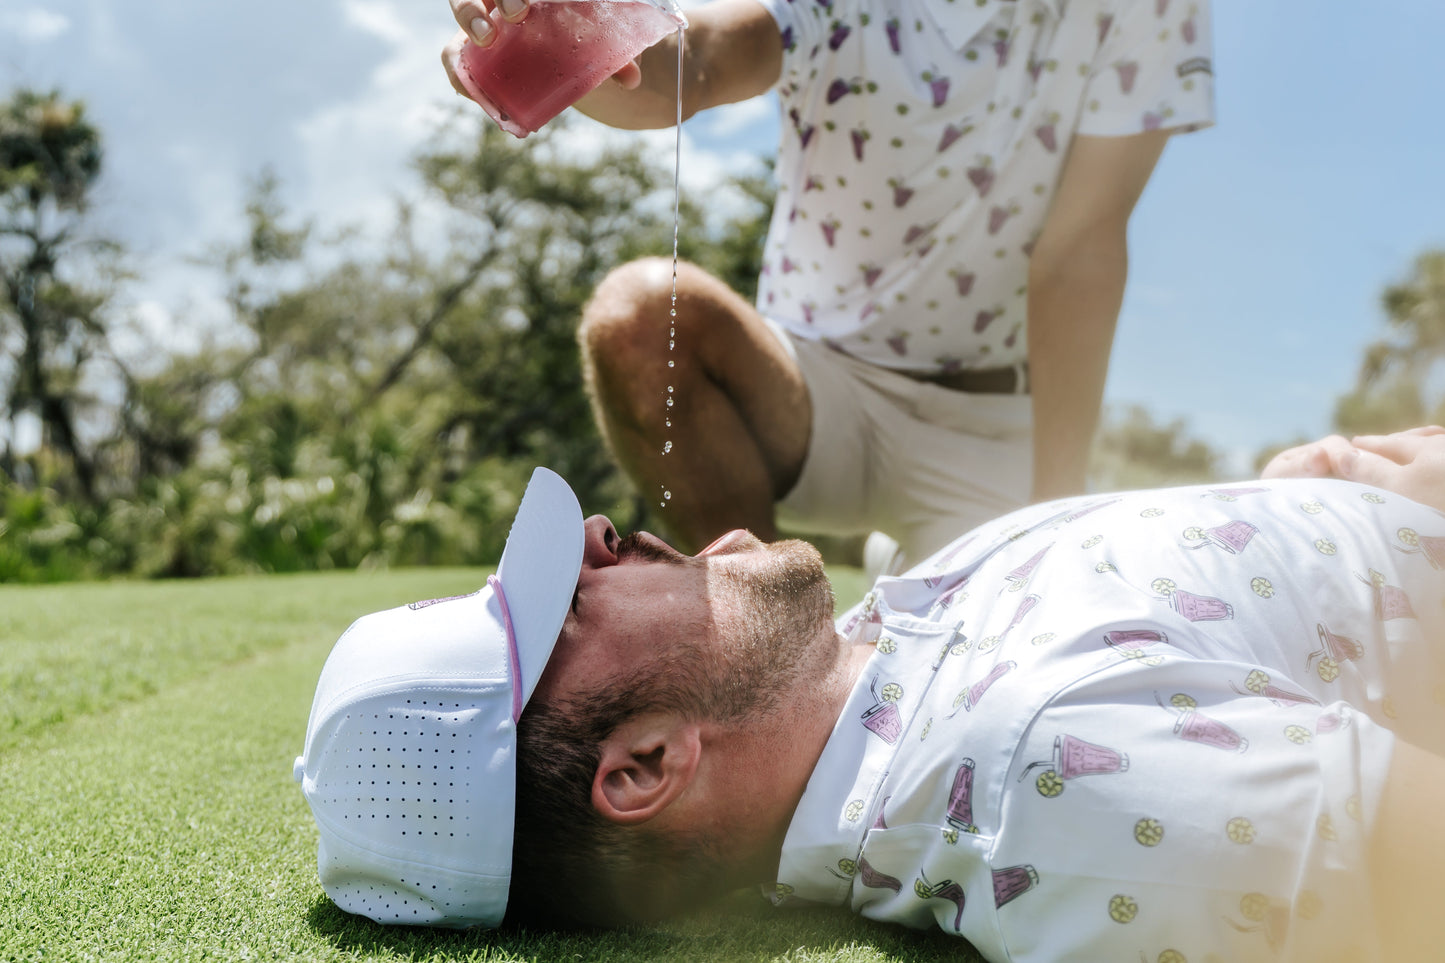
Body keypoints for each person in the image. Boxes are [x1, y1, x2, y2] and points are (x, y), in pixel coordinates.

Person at [296, 427, 1445, 961]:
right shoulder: (1045, 778)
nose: (598, 534)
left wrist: (1333, 495)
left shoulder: (884, 657)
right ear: (646, 765)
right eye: (565, 604)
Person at [440, 0, 1217, 571]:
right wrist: (560, 37)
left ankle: (901, 559)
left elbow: (1077, 254)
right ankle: (771, 629)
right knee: (635, 312)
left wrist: (1057, 512)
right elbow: (692, 66)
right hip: (807, 398)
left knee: (990, 666)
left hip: (993, 431)